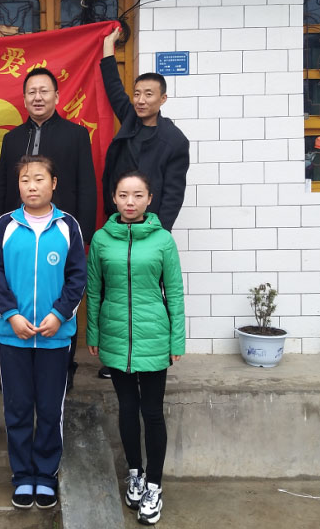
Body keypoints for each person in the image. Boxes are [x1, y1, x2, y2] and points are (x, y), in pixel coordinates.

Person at [0, 154, 87, 510]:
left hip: (54, 338)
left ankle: (45, 475)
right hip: (13, 336)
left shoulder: (68, 226)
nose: (32, 186)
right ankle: (22, 475)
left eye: (39, 179)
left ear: (53, 183)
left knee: (48, 408)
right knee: (16, 408)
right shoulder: (6, 225)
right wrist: (11, 315)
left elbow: (78, 277)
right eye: (25, 180)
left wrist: (59, 315)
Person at [86, 170, 185, 526]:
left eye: (138, 195)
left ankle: (154, 486)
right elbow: (93, 290)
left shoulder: (163, 240)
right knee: (127, 409)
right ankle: (135, 474)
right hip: (115, 335)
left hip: (154, 335)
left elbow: (174, 291)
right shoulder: (101, 239)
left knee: (152, 412)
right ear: (114, 198)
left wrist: (177, 339)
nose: (130, 202)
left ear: (149, 199)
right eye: (123, 195)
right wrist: (93, 334)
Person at [0, 67, 96, 389]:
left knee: (63, 294)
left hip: (61, 233)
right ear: (24, 98)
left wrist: (83, 235)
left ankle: (66, 363)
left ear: (57, 96)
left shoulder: (76, 135)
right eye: (32, 92)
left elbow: (86, 186)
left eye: (44, 91)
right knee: (19, 292)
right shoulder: (11, 138)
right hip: (20, 235)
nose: (38, 97)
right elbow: (3, 188)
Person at [98, 27, 189, 380]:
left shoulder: (174, 140)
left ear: (162, 99)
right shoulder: (129, 120)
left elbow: (174, 193)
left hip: (150, 231)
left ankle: (155, 353)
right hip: (118, 225)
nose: (140, 100)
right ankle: (114, 358)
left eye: (148, 94)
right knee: (113, 290)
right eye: (137, 94)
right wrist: (108, 46)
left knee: (150, 295)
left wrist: (158, 233)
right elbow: (113, 87)